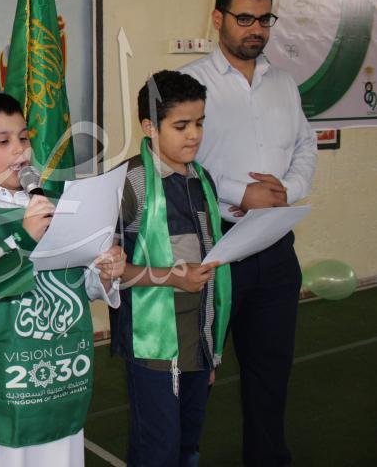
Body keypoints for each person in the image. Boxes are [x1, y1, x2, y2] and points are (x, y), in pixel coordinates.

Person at [0, 92, 125, 466]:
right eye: (3, 141)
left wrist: (106, 272)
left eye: (24, 138)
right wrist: (24, 239)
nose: (20, 151)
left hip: (55, 378)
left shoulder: (50, 206)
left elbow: (80, 284)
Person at [181, 0, 317, 466]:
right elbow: (176, 161)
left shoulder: (283, 83)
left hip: (275, 247)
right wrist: (241, 193)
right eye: (244, 18)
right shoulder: (188, 83)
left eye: (264, 19)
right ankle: (182, 455)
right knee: (196, 370)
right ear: (218, 19)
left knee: (270, 370)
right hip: (212, 249)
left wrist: (287, 191)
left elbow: (305, 146)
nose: (256, 29)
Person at [109, 70, 231, 466]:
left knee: (188, 443)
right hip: (154, 348)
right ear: (149, 127)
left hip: (199, 340)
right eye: (181, 126)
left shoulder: (202, 179)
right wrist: (171, 277)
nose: (194, 135)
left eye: (199, 123)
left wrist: (210, 352)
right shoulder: (130, 183)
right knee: (157, 447)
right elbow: (107, 271)